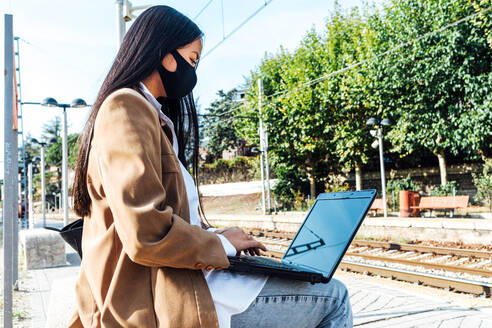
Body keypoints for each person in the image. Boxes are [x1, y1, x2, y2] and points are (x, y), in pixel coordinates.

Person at [69, 5, 352, 328]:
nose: (193, 73)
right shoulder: (125, 107)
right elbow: (144, 231)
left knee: (309, 285)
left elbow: (160, 220)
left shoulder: (151, 117)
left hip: (173, 281)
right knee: (333, 297)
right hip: (154, 300)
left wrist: (221, 237)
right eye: (191, 60)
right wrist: (221, 244)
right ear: (165, 55)